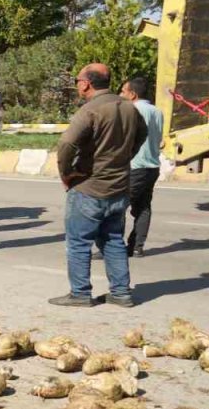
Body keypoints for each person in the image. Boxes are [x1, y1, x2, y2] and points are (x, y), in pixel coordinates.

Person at [51, 63, 147, 308]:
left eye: (77, 80)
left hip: (89, 187)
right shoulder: (129, 108)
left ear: (86, 83)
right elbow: (142, 136)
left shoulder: (90, 110)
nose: (77, 85)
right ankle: (121, 293)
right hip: (118, 186)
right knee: (113, 239)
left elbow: (66, 145)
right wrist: (124, 157)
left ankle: (80, 293)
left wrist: (67, 174)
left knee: (78, 242)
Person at [119, 76, 163, 258]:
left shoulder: (131, 109)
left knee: (117, 207)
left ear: (132, 94)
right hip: (152, 166)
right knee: (143, 207)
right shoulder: (157, 111)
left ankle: (113, 248)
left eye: (122, 91)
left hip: (135, 165)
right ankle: (136, 246)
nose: (120, 95)